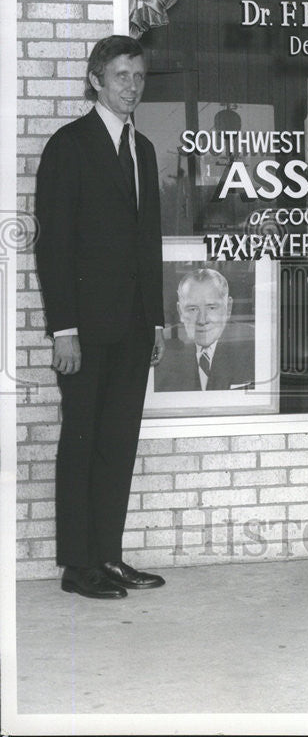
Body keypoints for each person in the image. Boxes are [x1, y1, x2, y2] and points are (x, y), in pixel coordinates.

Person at [35, 35, 167, 599]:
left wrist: (157, 321)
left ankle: (108, 557)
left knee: (118, 440)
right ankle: (77, 565)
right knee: (83, 440)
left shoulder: (146, 150)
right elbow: (54, 246)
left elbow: (148, 242)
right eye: (120, 77)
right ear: (95, 80)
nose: (131, 87)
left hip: (135, 328)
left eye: (138, 77)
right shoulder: (69, 145)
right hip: (84, 331)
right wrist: (64, 328)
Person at [155, 268, 253, 392]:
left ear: (228, 308)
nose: (202, 320)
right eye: (192, 309)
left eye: (212, 308)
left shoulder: (254, 344)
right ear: (180, 311)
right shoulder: (161, 346)